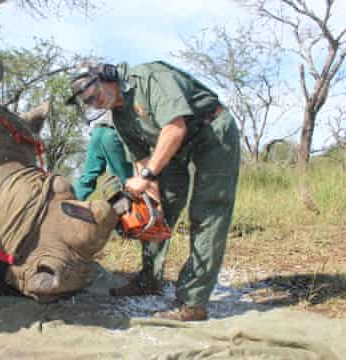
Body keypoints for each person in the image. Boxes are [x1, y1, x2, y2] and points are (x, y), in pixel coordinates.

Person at [67, 61, 240, 321]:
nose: (94, 103)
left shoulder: (149, 78)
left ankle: (193, 303)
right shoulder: (119, 116)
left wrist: (146, 176)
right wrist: (149, 197)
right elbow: (141, 158)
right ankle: (149, 279)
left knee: (206, 213)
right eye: (88, 102)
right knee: (155, 214)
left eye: (94, 95)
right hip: (174, 149)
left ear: (107, 76)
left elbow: (175, 127)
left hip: (211, 131)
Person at [73, 109, 133, 201]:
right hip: (111, 129)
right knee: (126, 181)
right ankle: (135, 209)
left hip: (95, 133)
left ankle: (67, 207)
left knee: (87, 178)